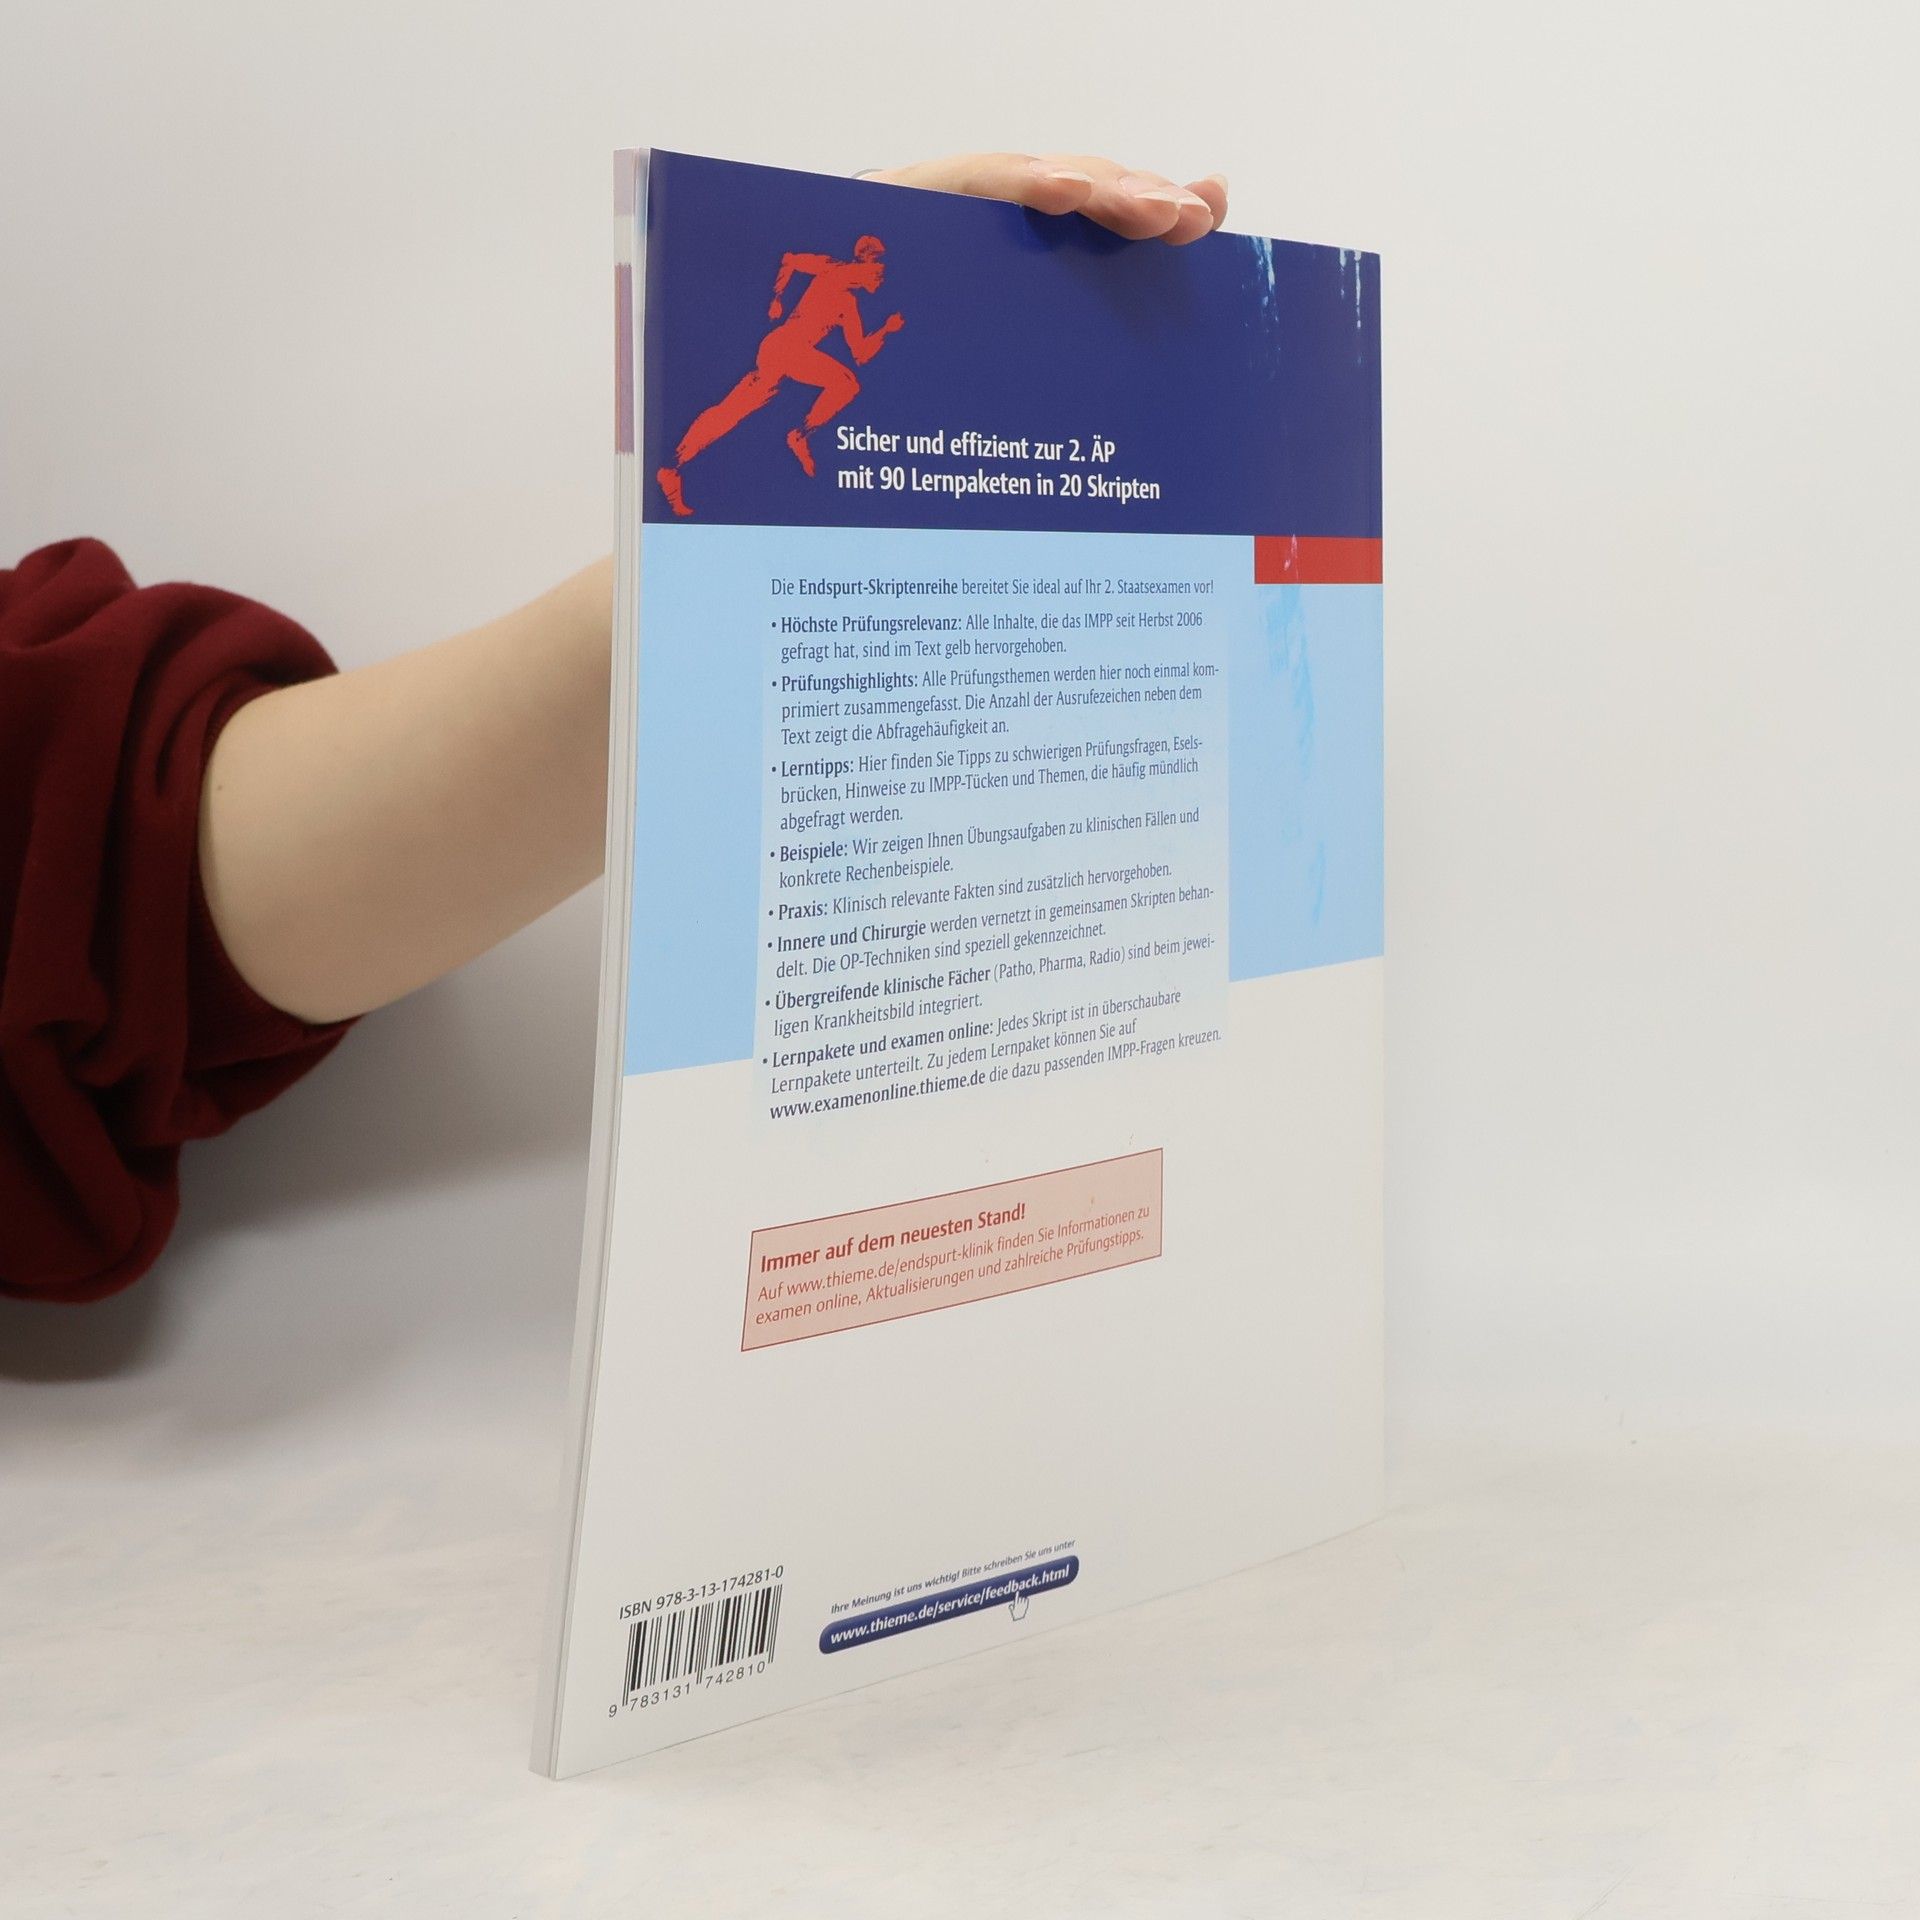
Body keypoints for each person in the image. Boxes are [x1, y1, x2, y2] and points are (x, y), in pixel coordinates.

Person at [0, 151, 1227, 1306]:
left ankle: (767, 461)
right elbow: (97, 869)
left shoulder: (848, 294)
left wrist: (797, 516)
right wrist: (764, 332)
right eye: (861, 251)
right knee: (760, 399)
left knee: (800, 400)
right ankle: (736, 464)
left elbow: (109, 873)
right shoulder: (822, 277)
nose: (860, 260)